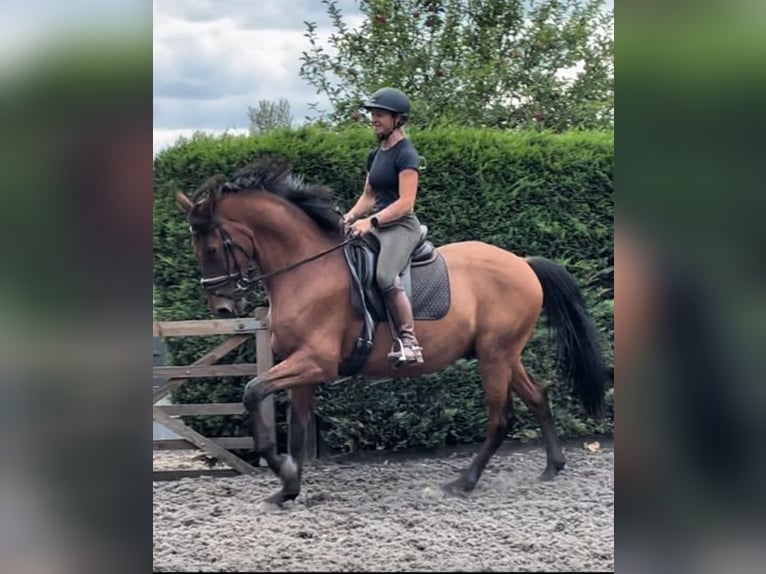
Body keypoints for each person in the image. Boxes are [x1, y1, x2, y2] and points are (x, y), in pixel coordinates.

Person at [342, 87, 425, 367]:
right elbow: (369, 196)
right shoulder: (375, 155)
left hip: (401, 227)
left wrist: (371, 221)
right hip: (376, 225)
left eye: (379, 114)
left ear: (397, 119)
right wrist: (349, 217)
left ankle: (410, 342)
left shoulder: (407, 154)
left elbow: (406, 203)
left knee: (385, 275)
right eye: (372, 114)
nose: (373, 119)